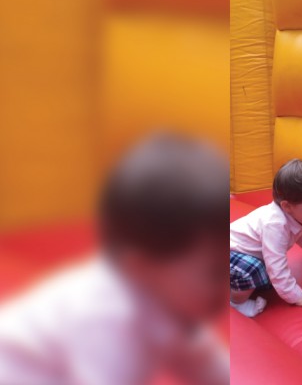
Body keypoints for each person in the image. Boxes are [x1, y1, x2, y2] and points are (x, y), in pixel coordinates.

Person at [0, 133, 230, 385]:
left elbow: (209, 366)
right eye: (216, 271)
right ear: (141, 266)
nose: (227, 283)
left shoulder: (172, 300)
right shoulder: (107, 317)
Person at [229, 159, 302, 317]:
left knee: (262, 271)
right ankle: (235, 302)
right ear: (287, 206)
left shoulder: (294, 217)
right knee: (254, 269)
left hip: (235, 258)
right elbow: (276, 266)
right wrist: (296, 296)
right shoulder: (275, 225)